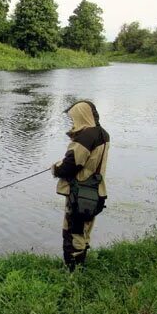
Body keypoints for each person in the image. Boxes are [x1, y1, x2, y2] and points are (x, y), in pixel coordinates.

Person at [52, 101, 110, 271]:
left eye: (73, 118)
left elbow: (70, 165)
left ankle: (72, 272)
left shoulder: (85, 137)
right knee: (85, 230)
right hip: (96, 191)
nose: (72, 122)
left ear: (81, 116)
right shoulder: (103, 134)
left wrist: (55, 168)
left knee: (72, 232)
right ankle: (79, 267)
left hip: (80, 193)